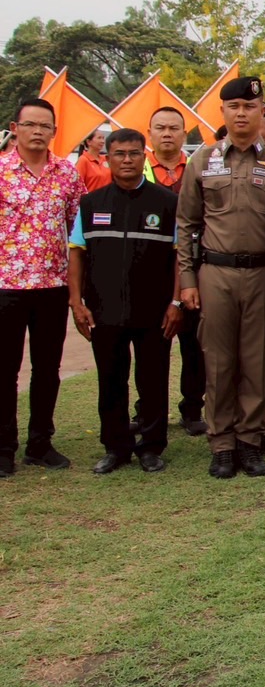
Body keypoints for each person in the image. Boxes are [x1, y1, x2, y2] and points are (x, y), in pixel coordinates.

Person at [176, 77, 265, 479]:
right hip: (215, 272)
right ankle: (221, 443)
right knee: (217, 361)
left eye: (250, 107)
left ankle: (250, 440)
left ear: (261, 111)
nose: (242, 114)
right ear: (223, 112)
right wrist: (187, 278)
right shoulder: (202, 160)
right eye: (234, 107)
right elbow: (187, 224)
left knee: (259, 359)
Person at [67, 128, 181, 475]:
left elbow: (180, 257)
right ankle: (115, 447)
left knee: (153, 379)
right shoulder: (91, 204)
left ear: (144, 157)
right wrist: (76, 302)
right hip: (104, 309)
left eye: (133, 153)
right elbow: (77, 253)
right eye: (119, 154)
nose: (127, 160)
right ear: (108, 158)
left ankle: (151, 447)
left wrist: (175, 302)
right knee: (110, 380)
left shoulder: (167, 202)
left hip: (154, 310)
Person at [3, 98, 88, 477]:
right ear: (15, 128)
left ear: (54, 131)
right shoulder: (1, 171)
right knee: (5, 370)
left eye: (45, 126)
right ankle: (3, 447)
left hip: (52, 287)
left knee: (47, 369)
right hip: (6, 286)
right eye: (30, 125)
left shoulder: (66, 174)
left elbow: (77, 231)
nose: (37, 132)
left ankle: (40, 443)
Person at [144, 105, 206, 436]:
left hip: (194, 268)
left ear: (184, 134)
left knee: (194, 346)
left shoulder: (198, 167)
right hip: (150, 271)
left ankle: (192, 408)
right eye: (160, 128)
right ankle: (147, 410)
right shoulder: (136, 167)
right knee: (152, 348)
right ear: (150, 133)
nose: (167, 134)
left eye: (173, 128)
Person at [75, 127, 111, 192]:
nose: (102, 141)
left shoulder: (105, 159)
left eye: (103, 138)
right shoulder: (83, 160)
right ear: (89, 142)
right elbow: (77, 184)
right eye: (99, 138)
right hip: (91, 197)